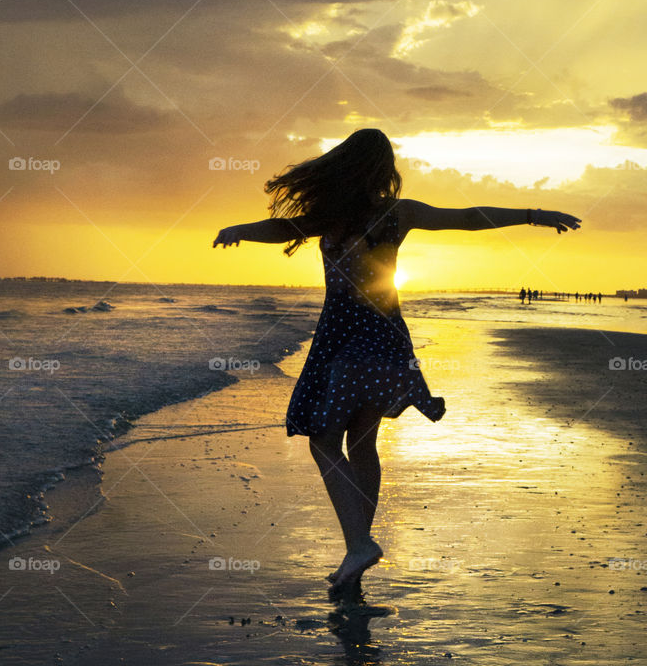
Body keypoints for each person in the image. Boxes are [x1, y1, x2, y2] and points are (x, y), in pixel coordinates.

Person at [213, 129, 581, 598]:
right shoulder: (397, 212)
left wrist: (238, 232)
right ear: (384, 170)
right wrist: (533, 215)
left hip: (344, 341)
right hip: (386, 338)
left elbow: (284, 230)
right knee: (362, 443)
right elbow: (466, 218)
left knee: (323, 441)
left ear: (343, 165)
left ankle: (359, 544)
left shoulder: (334, 216)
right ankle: (356, 551)